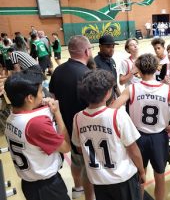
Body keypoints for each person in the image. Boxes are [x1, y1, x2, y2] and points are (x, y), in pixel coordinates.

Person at [111, 53, 170, 200]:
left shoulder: (131, 89)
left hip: (137, 137)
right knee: (160, 176)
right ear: (157, 68)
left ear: (138, 70)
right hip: (159, 137)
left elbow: (112, 109)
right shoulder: (167, 89)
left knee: (140, 175)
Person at [72, 69, 145, 200]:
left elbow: (79, 148)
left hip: (98, 180)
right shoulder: (118, 115)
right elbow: (133, 149)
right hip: (123, 180)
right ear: (108, 93)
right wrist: (142, 170)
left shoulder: (77, 118)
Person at [4, 69, 71, 200]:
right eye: (41, 91)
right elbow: (66, 147)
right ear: (29, 98)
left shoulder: (11, 117)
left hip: (29, 183)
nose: (42, 95)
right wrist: (57, 113)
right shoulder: (36, 125)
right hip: (47, 189)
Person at [49, 35, 94, 200]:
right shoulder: (87, 74)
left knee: (76, 161)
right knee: (89, 167)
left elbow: (53, 97)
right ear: (86, 51)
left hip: (65, 127)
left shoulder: (58, 71)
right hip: (85, 129)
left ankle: (77, 188)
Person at [94, 35, 121, 105]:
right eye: (108, 47)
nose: (111, 49)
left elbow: (115, 84)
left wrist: (121, 98)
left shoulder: (112, 61)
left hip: (113, 101)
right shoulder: (94, 63)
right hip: (102, 104)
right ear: (100, 47)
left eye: (113, 47)